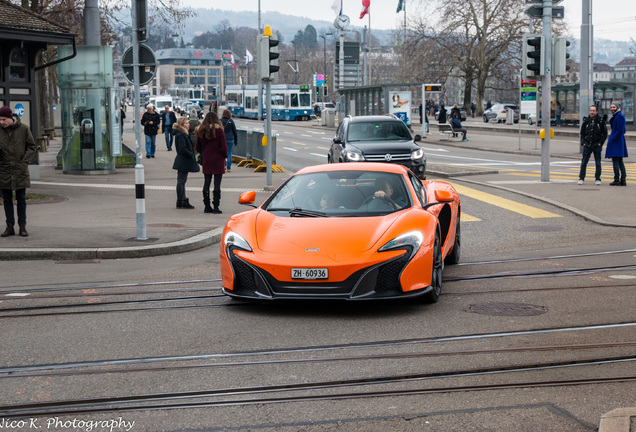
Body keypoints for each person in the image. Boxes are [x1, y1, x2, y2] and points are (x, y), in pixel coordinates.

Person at [0, 106, 36, 237]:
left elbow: (31, 147)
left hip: (20, 170)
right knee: (7, 200)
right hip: (4, 170)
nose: (1, 122)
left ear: (10, 118)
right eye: (0, 120)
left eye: (3, 119)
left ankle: (22, 226)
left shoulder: (24, 129)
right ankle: (10, 226)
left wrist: (24, 162)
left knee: (21, 199)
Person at [195, 111, 227, 214]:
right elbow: (223, 147)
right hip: (218, 159)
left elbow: (198, 147)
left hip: (207, 159)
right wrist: (225, 156)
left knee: (206, 183)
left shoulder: (201, 130)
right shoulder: (219, 131)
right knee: (217, 184)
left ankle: (207, 206)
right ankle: (216, 206)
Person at [172, 117, 200, 209]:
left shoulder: (181, 134)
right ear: (182, 125)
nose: (189, 125)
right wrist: (191, 154)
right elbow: (182, 148)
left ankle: (181, 200)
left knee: (182, 181)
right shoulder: (181, 135)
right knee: (181, 181)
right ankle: (181, 200)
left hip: (182, 160)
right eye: (187, 123)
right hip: (183, 160)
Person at [578, 105, 608, 186]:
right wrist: (583, 142)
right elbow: (582, 133)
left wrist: (600, 143)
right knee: (584, 162)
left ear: (596, 112)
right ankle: (581, 178)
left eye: (593, 111)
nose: (592, 112)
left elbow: (604, 133)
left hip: (596, 144)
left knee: (598, 162)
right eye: (591, 110)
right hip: (587, 144)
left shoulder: (600, 121)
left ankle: (598, 178)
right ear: (589, 111)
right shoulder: (586, 121)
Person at [605, 102, 628, 186]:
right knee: (619, 161)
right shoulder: (617, 115)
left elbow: (621, 130)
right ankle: (622, 180)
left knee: (616, 161)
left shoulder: (619, 116)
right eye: (611, 107)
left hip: (616, 141)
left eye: (613, 107)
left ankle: (617, 179)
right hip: (618, 140)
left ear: (617, 107)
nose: (612, 108)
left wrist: (613, 138)